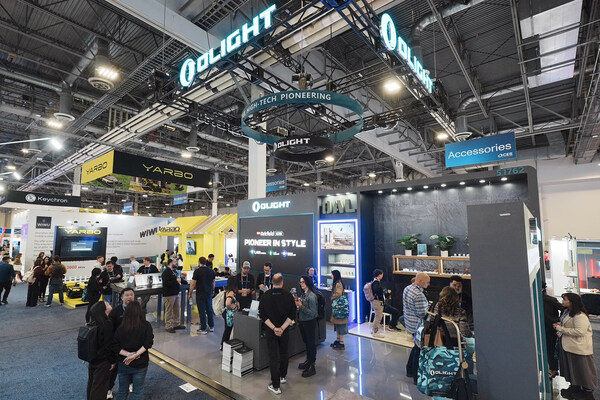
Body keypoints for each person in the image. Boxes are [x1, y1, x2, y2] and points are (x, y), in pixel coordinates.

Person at [554, 293, 598, 399]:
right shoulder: (567, 312)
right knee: (573, 369)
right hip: (569, 345)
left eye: (565, 300)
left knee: (583, 369)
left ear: (572, 302)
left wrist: (561, 329)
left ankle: (587, 391)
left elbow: (580, 332)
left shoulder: (580, 315)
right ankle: (576, 387)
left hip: (579, 347)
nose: (562, 301)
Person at [259, 273, 296, 395]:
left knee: (273, 356)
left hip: (271, 331)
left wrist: (274, 328)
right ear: (282, 282)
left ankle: (276, 386)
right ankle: (282, 376)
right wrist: (282, 328)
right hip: (284, 331)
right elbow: (292, 314)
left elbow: (262, 314)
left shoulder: (266, 295)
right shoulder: (288, 296)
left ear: (272, 282)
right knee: (284, 353)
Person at [112, 301, 154, 400]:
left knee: (122, 391)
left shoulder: (121, 327)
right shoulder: (146, 325)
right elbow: (148, 343)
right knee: (138, 392)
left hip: (124, 362)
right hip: (141, 363)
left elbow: (115, 346)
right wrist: (135, 355)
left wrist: (128, 354)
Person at [107, 288, 136, 398]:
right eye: (127, 295)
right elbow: (110, 329)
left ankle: (131, 383)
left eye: (131, 295)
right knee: (113, 368)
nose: (129, 297)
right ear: (121, 298)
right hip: (117, 346)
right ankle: (109, 389)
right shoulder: (116, 312)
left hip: (132, 345)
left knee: (131, 365)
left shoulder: (137, 310)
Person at [403, 272, 431, 384]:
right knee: (418, 350)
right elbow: (422, 314)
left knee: (416, 347)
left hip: (409, 322)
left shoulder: (407, 288)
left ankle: (409, 370)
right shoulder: (419, 295)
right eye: (427, 282)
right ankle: (415, 376)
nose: (428, 284)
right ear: (420, 281)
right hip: (417, 325)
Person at [86, 301, 116, 400]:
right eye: (107, 304)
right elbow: (108, 345)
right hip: (103, 361)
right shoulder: (107, 324)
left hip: (93, 358)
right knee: (100, 388)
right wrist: (112, 361)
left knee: (92, 384)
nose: (109, 304)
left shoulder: (92, 323)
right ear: (104, 310)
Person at [295, 275, 318, 377]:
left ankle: (312, 365)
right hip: (303, 321)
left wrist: (301, 306)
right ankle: (308, 361)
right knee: (307, 343)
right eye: (300, 282)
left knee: (311, 343)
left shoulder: (311, 296)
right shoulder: (304, 294)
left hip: (309, 322)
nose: (301, 284)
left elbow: (313, 313)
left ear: (307, 283)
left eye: (303, 282)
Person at [188, 256, 215, 334]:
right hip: (208, 293)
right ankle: (211, 326)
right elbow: (213, 282)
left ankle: (203, 328)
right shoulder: (211, 271)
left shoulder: (197, 271)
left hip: (200, 293)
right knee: (209, 309)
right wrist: (213, 290)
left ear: (199, 262)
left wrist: (190, 293)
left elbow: (193, 283)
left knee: (202, 310)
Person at [542, 284, 563, 378]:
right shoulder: (535, 300)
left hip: (550, 328)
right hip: (545, 327)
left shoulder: (549, 300)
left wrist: (558, 321)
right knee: (548, 349)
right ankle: (551, 368)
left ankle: (553, 369)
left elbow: (563, 308)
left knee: (550, 349)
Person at [162, 258, 185, 333]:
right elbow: (166, 283)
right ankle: (168, 326)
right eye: (175, 262)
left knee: (176, 309)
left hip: (176, 293)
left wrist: (186, 282)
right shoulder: (166, 272)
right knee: (169, 311)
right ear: (170, 263)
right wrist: (176, 281)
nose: (176, 263)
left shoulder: (175, 271)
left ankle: (176, 324)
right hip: (169, 294)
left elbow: (179, 279)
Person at [329, 270, 348, 350]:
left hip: (339, 308)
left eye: (332, 274)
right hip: (337, 308)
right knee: (337, 325)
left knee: (340, 325)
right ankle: (338, 340)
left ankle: (341, 342)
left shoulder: (338, 284)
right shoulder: (337, 283)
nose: (331, 276)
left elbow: (339, 294)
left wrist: (332, 297)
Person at [220, 276, 239, 349]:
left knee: (227, 329)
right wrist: (234, 306)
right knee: (228, 330)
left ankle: (223, 345)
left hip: (226, 313)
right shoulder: (231, 292)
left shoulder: (227, 290)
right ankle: (223, 345)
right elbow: (228, 303)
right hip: (229, 314)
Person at [370, 269, 385, 337]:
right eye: (382, 274)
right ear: (379, 275)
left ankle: (374, 329)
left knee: (377, 316)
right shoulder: (376, 283)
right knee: (378, 317)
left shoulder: (374, 281)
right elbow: (378, 292)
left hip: (374, 301)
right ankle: (375, 332)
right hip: (377, 302)